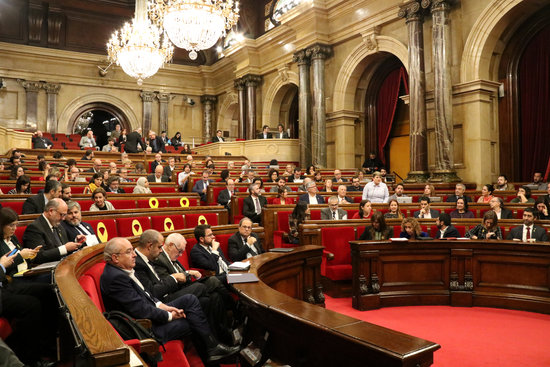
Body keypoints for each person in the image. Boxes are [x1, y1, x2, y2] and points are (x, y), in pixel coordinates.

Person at [100, 237, 239, 363]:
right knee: (195, 318)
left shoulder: (121, 271)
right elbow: (140, 310)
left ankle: (213, 347)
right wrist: (169, 316)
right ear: (115, 258)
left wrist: (165, 307)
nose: (134, 254)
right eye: (129, 251)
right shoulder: (116, 278)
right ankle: (212, 354)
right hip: (147, 327)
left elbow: (147, 296)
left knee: (191, 300)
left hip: (152, 311)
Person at [0, 210, 58, 367]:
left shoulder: (12, 238)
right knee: (32, 305)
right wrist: (18, 257)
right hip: (7, 283)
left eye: (16, 225)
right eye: (10, 225)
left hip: (14, 280)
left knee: (49, 291)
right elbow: (6, 267)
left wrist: (29, 256)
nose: (14, 228)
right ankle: (30, 357)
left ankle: (51, 347)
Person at [22, 198, 85, 264]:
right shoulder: (34, 228)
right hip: (45, 270)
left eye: (64, 215)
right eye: (61, 215)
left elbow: (64, 246)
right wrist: (65, 248)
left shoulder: (59, 226)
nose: (63, 218)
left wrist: (75, 243)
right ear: (51, 211)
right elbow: (37, 256)